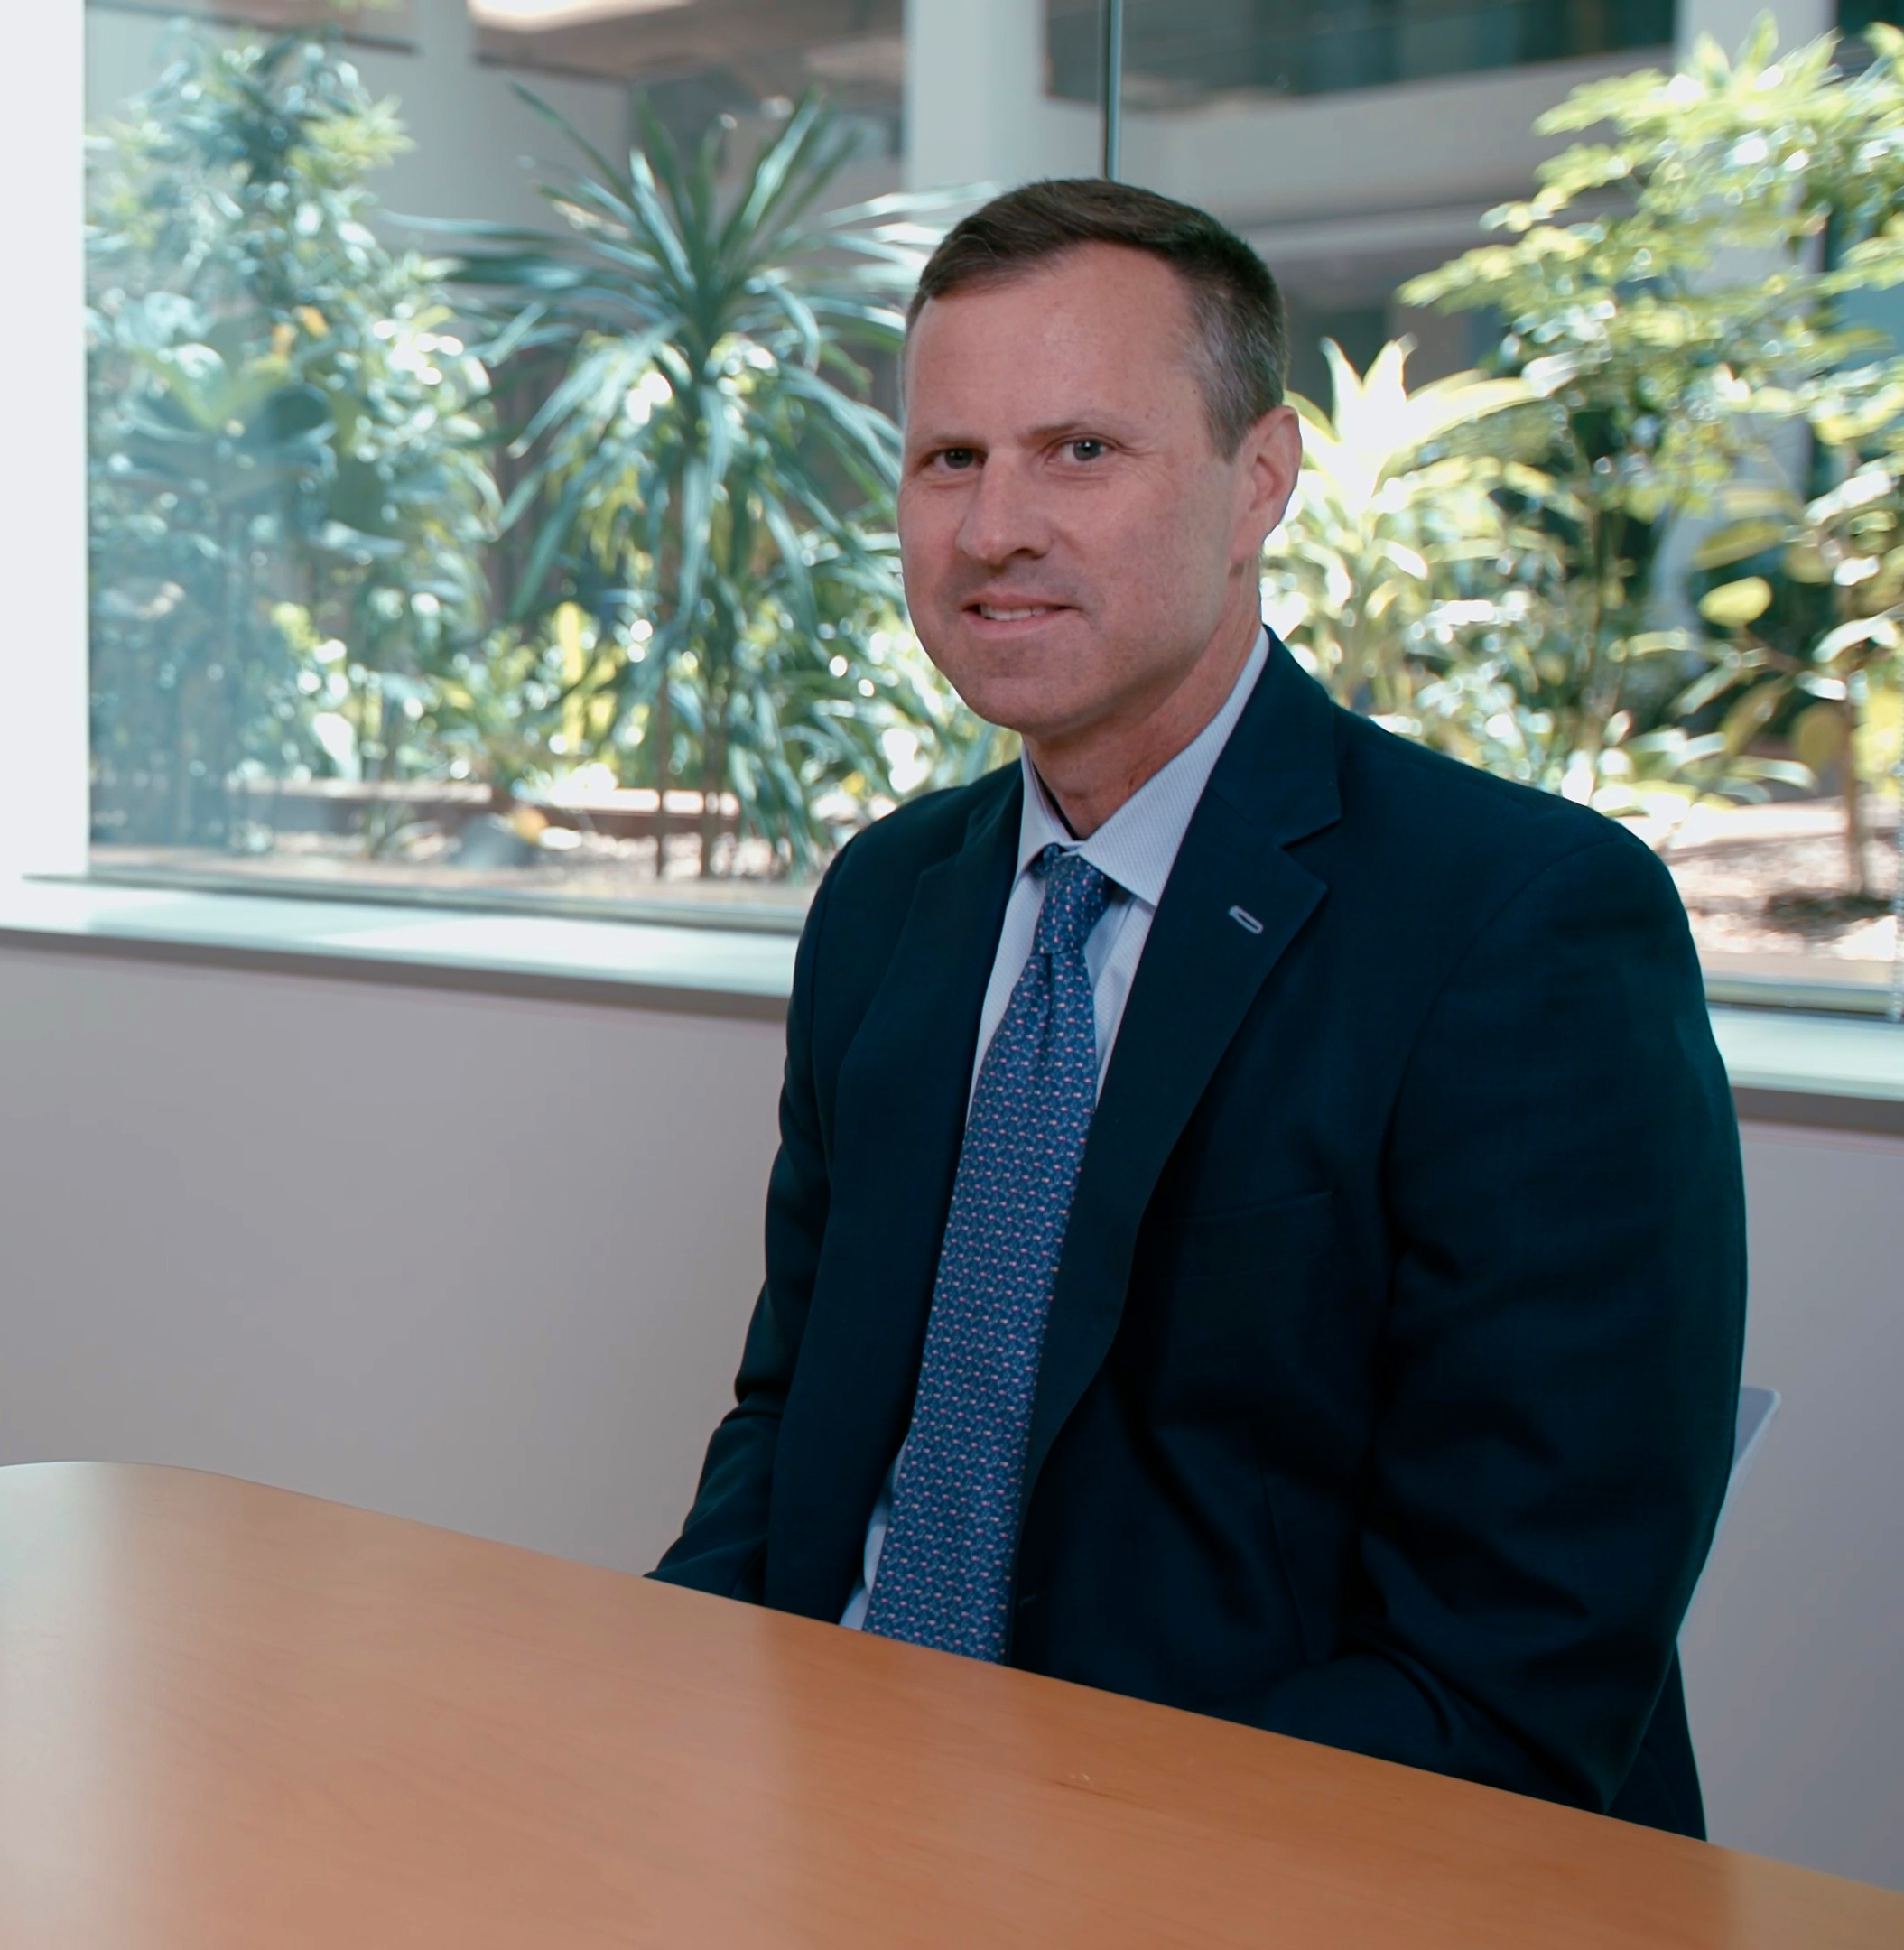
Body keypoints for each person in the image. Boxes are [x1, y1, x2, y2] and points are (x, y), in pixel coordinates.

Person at [650, 179, 1744, 1834]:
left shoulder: (1523, 923)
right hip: (847, 1809)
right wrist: (653, 1699)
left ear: (1262, 481)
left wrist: (1042, 1846)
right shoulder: (889, 900)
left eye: (1080, 450)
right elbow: (797, 1418)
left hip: (1259, 1857)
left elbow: (1525, 1656)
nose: (993, 528)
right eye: (950, 459)